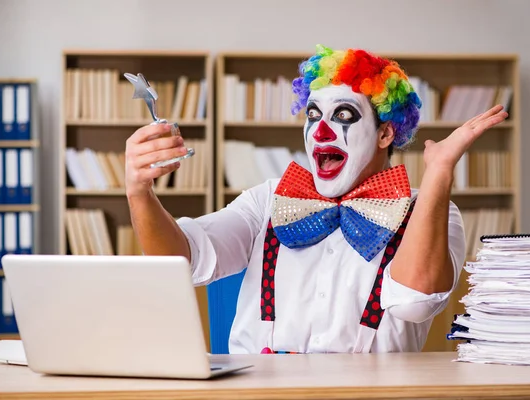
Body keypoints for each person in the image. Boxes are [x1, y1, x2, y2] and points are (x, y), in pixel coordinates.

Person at [124, 45, 508, 354]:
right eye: (313, 114)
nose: (321, 130)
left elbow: (416, 302)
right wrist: (139, 193)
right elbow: (181, 262)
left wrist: (440, 173)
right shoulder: (267, 200)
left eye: (343, 114)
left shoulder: (430, 211)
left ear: (385, 134)